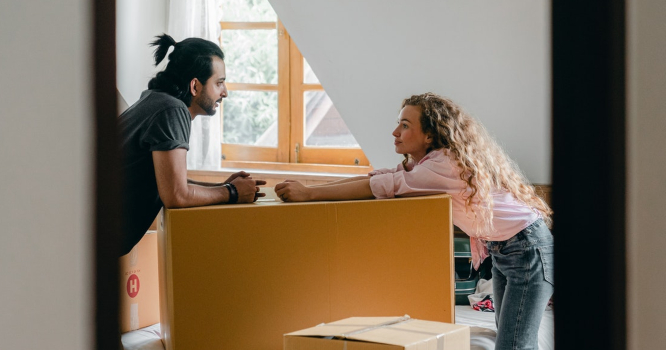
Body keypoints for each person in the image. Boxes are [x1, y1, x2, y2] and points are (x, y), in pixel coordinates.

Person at [275, 92, 553, 350]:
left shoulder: (442, 166)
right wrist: (310, 191)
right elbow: (375, 178)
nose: (395, 132)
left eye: (405, 125)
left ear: (430, 135)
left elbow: (381, 186)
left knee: (515, 345)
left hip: (526, 249)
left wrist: (310, 194)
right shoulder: (428, 164)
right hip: (509, 248)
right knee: (515, 341)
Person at [119, 33, 265, 256]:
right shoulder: (171, 110)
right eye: (219, 83)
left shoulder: (155, 100)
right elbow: (176, 195)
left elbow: (169, 182)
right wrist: (232, 192)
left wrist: (219, 187)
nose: (224, 92)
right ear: (195, 86)